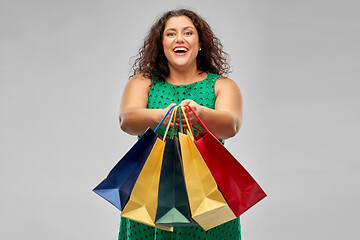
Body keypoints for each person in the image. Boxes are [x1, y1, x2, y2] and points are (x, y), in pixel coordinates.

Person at [118, 8, 243, 240]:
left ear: (200, 43)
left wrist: (200, 113)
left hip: (209, 195)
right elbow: (128, 121)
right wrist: (159, 116)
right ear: (161, 44)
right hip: (150, 195)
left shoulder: (222, 85)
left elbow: (231, 125)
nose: (179, 39)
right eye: (170, 34)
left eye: (188, 32)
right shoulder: (143, 82)